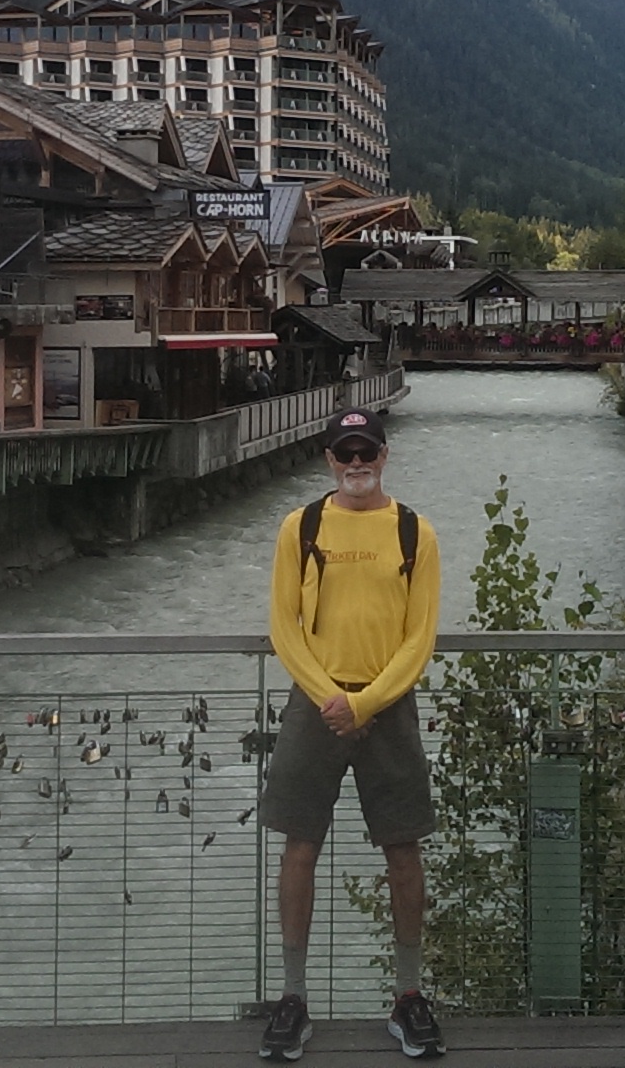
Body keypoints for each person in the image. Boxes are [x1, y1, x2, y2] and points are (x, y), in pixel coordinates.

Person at [258, 407, 444, 1061]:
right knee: (299, 847)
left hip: (386, 705)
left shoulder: (416, 533)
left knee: (403, 849)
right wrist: (330, 697)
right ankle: (292, 997)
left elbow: (419, 638)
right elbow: (284, 626)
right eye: (346, 453)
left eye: (367, 451)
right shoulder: (300, 527)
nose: (356, 463)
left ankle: (408, 995)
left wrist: (366, 703)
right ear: (330, 460)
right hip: (317, 701)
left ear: (384, 456)